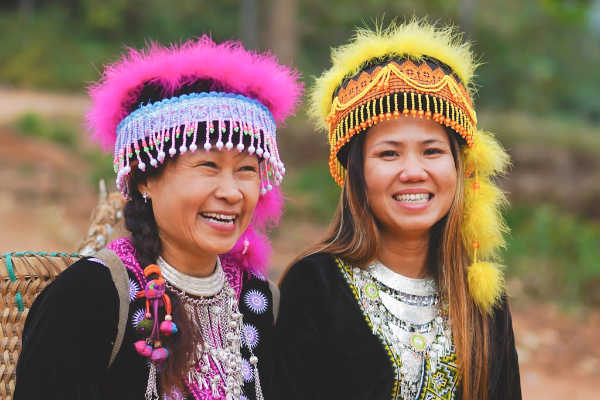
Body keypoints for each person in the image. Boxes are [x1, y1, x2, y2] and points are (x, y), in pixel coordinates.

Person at [15, 37, 302, 400]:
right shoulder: (87, 299)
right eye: (208, 166)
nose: (231, 192)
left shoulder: (260, 303)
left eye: (246, 170)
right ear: (145, 179)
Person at [274, 20, 521, 400]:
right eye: (389, 153)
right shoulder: (315, 285)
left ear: (459, 167)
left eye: (432, 151)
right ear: (356, 174)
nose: (413, 172)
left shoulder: (482, 296)